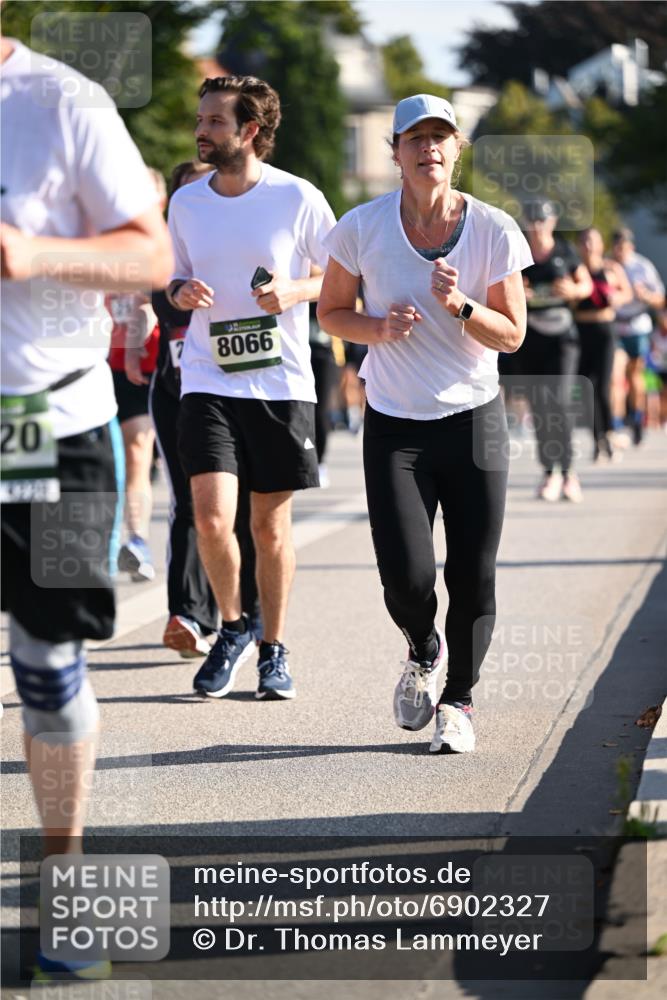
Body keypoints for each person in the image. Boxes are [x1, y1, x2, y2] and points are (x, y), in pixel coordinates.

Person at [0, 34, 172, 981]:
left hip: (48, 423)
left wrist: (33, 251)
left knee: (47, 658)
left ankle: (65, 891)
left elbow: (151, 254)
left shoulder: (62, 103)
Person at [318, 93, 532, 753]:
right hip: (394, 427)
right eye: (415, 138)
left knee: (472, 572)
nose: (428, 148)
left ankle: (458, 701)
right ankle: (421, 644)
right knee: (406, 577)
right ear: (395, 152)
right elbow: (330, 312)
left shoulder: (493, 228)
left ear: (456, 149)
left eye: (440, 137)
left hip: (472, 421)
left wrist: (462, 306)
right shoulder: (361, 226)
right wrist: (377, 328)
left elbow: (513, 335)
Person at [167, 75, 335, 699]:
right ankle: (233, 626)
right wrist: (180, 291)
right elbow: (175, 277)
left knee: (269, 529)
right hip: (207, 379)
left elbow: (343, 278)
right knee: (211, 519)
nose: (200, 131)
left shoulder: (297, 198)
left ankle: (274, 648)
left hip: (280, 383)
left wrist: (293, 291)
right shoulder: (186, 203)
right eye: (201, 119)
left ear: (250, 132)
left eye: (214, 121)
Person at [150, 160, 261, 658]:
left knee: (244, 513)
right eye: (191, 193)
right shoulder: (169, 246)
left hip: (247, 388)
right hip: (179, 389)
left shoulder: (240, 238)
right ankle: (190, 615)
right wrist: (180, 291)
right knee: (191, 507)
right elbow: (161, 301)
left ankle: (246, 612)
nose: (203, 200)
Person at [519, 200, 592, 503]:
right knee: (539, 407)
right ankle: (550, 472)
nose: (537, 226)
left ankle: (570, 471)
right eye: (532, 220)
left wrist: (573, 291)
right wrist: (517, 292)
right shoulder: (519, 252)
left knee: (559, 401)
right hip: (532, 337)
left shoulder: (564, 251)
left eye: (542, 220)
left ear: (552, 221)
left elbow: (585, 284)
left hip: (562, 338)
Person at [107, 288, 160, 580]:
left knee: (137, 451)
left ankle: (137, 542)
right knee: (106, 459)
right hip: (89, 368)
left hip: (141, 364)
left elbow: (151, 302)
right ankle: (104, 543)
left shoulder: (148, 245)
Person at [575, 227, 633, 461]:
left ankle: (609, 432)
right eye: (585, 241)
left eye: (593, 240)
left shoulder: (611, 269)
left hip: (605, 331)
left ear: (601, 245)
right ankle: (597, 438)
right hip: (581, 331)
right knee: (587, 389)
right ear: (580, 245)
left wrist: (617, 298)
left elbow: (627, 293)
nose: (589, 245)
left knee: (603, 385)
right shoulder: (576, 270)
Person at [611, 228, 666, 444]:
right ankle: (614, 424)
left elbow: (661, 299)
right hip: (615, 325)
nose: (620, 251)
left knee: (635, 375)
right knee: (615, 375)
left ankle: (636, 416)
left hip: (637, 325)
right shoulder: (610, 266)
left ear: (631, 247)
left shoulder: (642, 266)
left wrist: (646, 296)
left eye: (624, 247)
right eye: (617, 247)